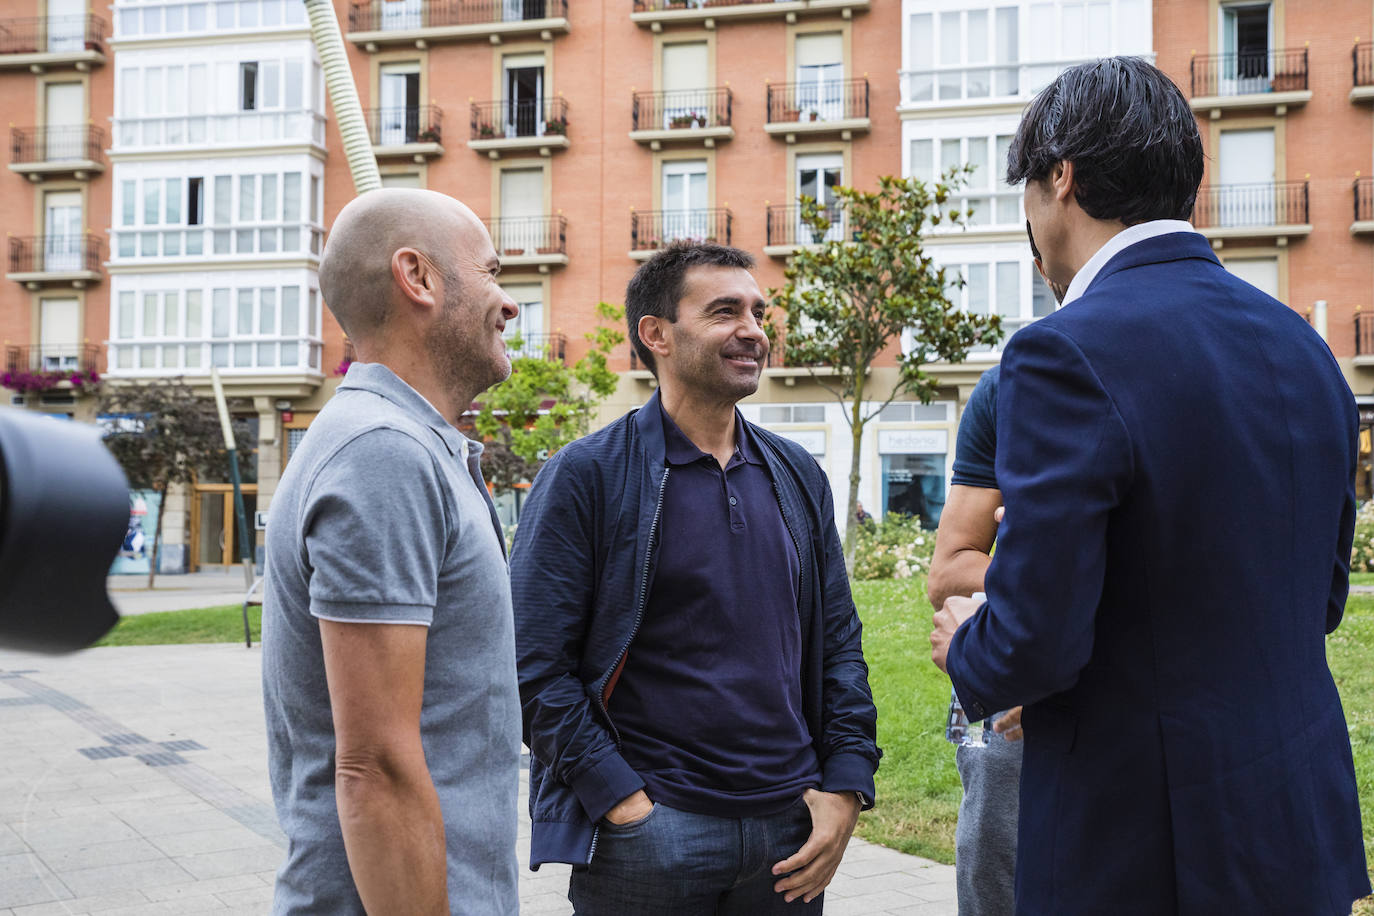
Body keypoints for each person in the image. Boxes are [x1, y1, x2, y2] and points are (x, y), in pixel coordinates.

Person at [929, 57, 1369, 914]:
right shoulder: (1305, 350)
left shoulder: (1061, 351)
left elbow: (1037, 642)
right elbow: (1320, 596)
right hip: (1295, 832)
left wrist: (967, 647)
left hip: (1141, 853)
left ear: (1060, 178)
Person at [510, 242, 880, 914]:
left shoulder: (797, 475)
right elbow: (534, 665)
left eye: (758, 312)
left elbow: (839, 643)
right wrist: (620, 800)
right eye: (724, 311)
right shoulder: (588, 475)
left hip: (790, 833)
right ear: (657, 334)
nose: (753, 330)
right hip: (653, 836)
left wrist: (847, 785)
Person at [261, 189, 523, 915]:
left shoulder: (403, 446)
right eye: (492, 272)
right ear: (420, 278)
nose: (509, 304)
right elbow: (373, 766)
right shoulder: (385, 455)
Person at [926, 221, 1065, 916]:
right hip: (1013, 711)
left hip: (1142, 712)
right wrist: (1036, 582)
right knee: (997, 887)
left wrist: (1048, 567)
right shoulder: (1008, 389)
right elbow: (947, 573)